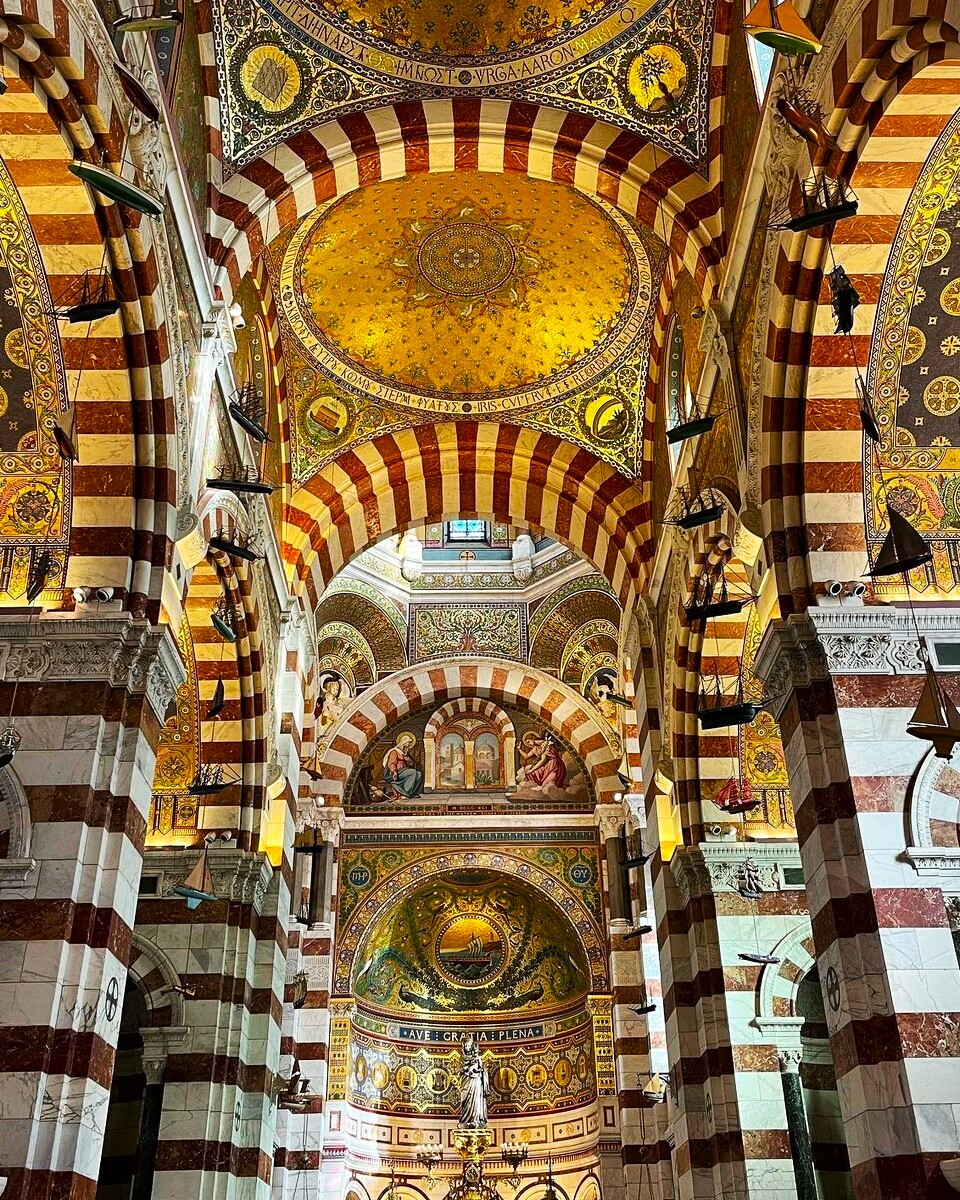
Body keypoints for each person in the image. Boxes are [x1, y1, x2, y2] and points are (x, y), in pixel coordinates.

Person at [382, 731, 424, 799]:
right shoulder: (394, 751)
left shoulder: (405, 753)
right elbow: (391, 763)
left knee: (419, 774)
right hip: (396, 772)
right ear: (404, 742)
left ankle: (411, 793)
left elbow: (411, 765)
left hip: (404, 771)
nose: (409, 744)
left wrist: (409, 761)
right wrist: (394, 771)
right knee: (413, 772)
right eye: (408, 742)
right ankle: (405, 793)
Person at [459, 1035, 488, 1128]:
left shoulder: (478, 1058)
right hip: (466, 1082)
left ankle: (476, 1119)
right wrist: (468, 1070)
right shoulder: (462, 1059)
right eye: (465, 1046)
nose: (467, 1048)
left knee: (476, 1101)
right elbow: (461, 1070)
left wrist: (480, 1070)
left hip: (476, 1082)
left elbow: (483, 1070)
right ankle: (466, 1119)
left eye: (468, 1045)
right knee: (465, 1100)